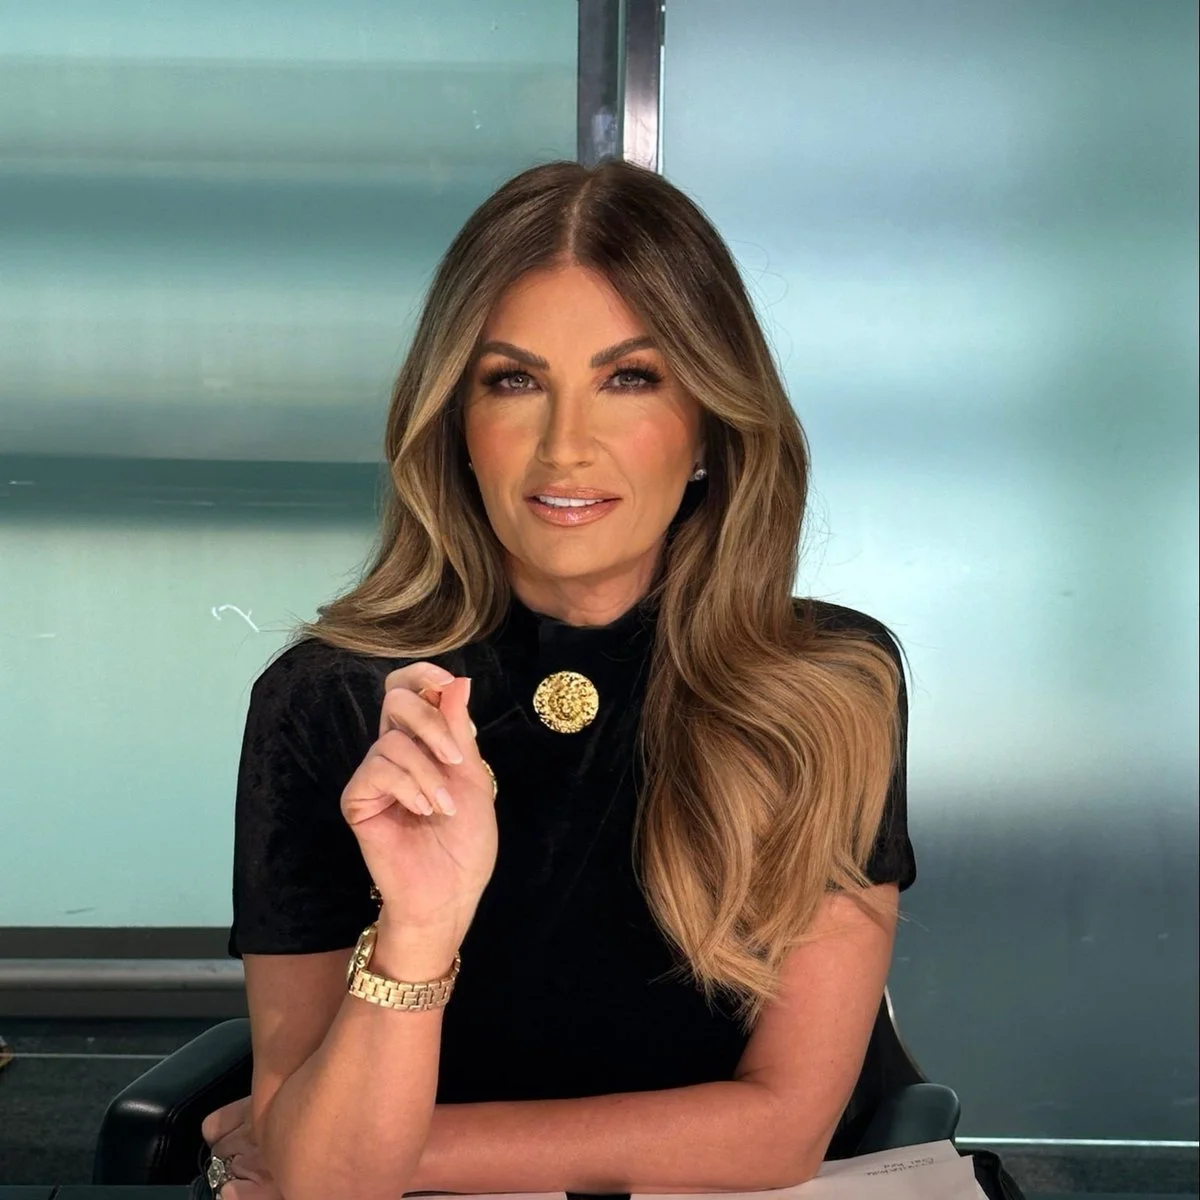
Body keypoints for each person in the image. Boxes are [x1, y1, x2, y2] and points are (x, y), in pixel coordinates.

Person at [198, 157, 915, 1200]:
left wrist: (357, 1145)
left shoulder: (827, 685)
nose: (565, 446)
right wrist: (420, 929)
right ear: (458, 425)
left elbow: (779, 1133)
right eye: (513, 381)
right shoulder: (331, 697)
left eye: (631, 378)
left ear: (711, 422)